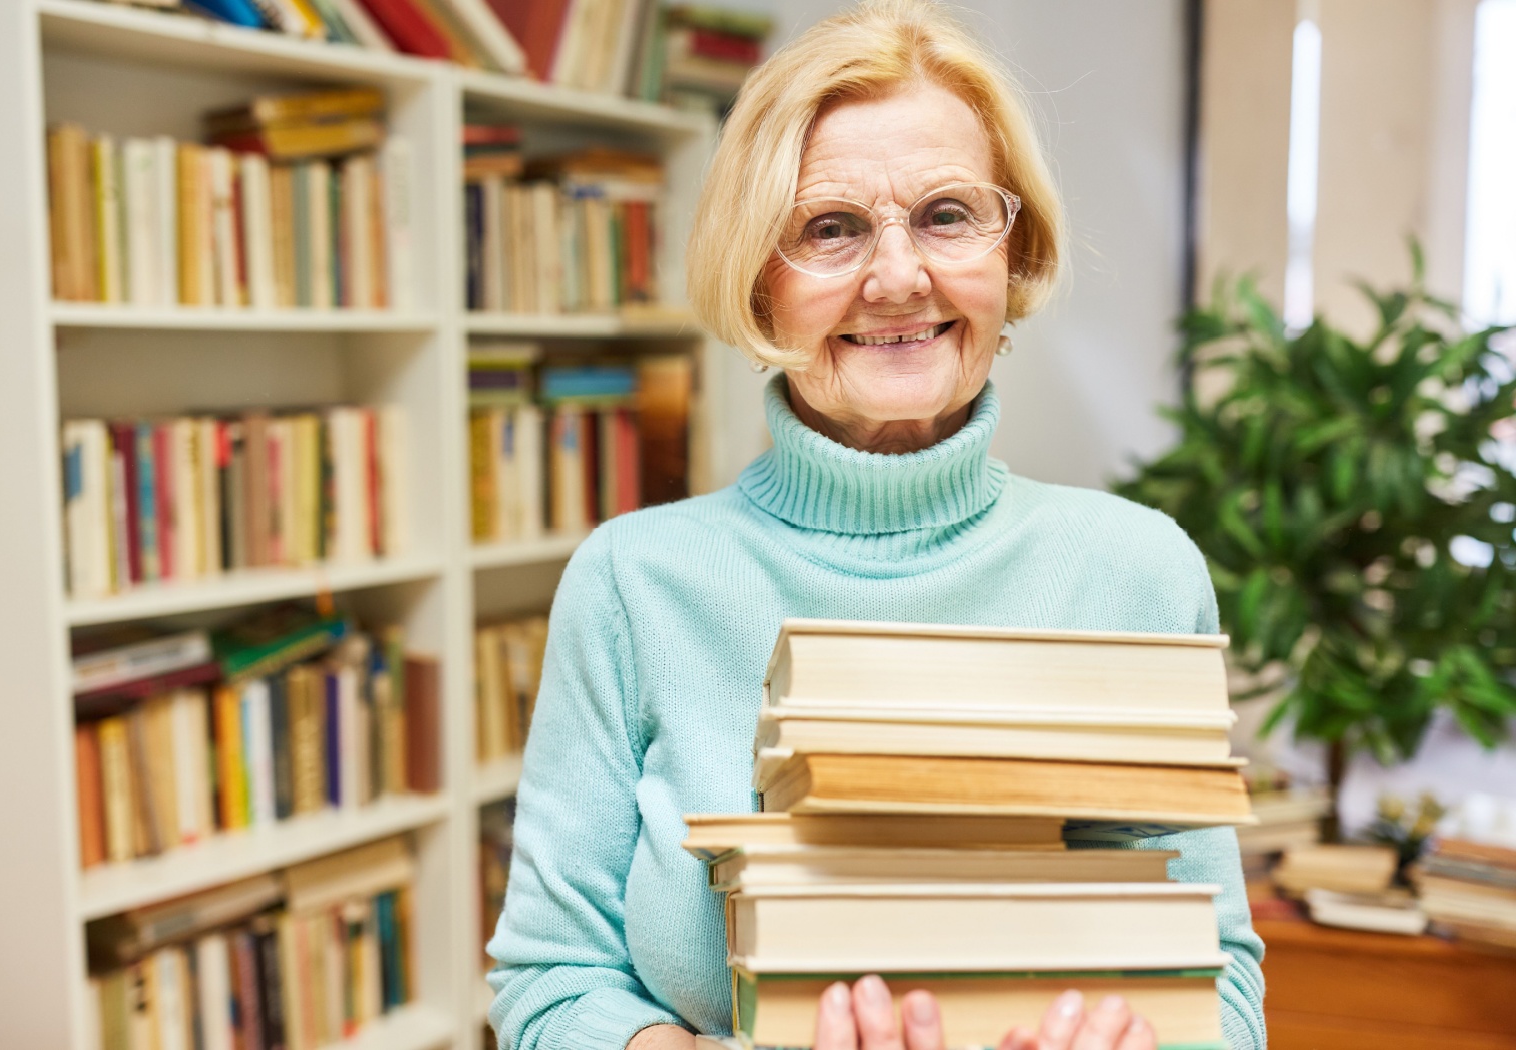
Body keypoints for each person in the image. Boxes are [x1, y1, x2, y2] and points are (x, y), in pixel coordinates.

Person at [485, 2, 1267, 1048]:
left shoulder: (1138, 572)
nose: (898, 277)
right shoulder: (632, 582)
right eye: (831, 227)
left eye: (947, 215)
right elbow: (548, 981)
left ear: (1013, 248)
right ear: (759, 275)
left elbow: (1220, 991)